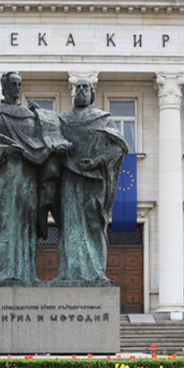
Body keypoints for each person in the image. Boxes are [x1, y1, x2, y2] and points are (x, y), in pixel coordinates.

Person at [0, 71, 57, 286]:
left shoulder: (29, 115)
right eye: (12, 84)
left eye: (19, 84)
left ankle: (26, 273)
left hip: (28, 179)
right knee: (6, 225)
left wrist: (44, 121)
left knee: (27, 225)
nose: (16, 88)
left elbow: (44, 143)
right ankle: (4, 273)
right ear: (3, 85)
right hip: (6, 178)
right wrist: (5, 149)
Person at [52, 78, 129, 284]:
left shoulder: (102, 119)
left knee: (94, 224)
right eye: (79, 87)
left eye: (86, 87)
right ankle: (68, 272)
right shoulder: (63, 119)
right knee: (70, 225)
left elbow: (118, 147)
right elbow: (52, 141)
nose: (82, 91)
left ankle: (96, 272)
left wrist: (96, 161)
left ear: (92, 94)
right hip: (69, 178)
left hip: (94, 180)